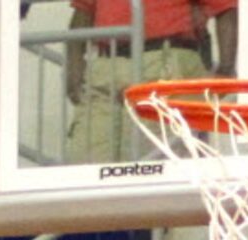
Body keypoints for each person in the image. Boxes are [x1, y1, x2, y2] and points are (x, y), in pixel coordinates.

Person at [65, 0, 238, 163]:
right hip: (106, 67)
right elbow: (83, 10)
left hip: (164, 64)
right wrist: (74, 64)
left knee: (157, 167)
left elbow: (225, 9)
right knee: (88, 163)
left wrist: (225, 70)